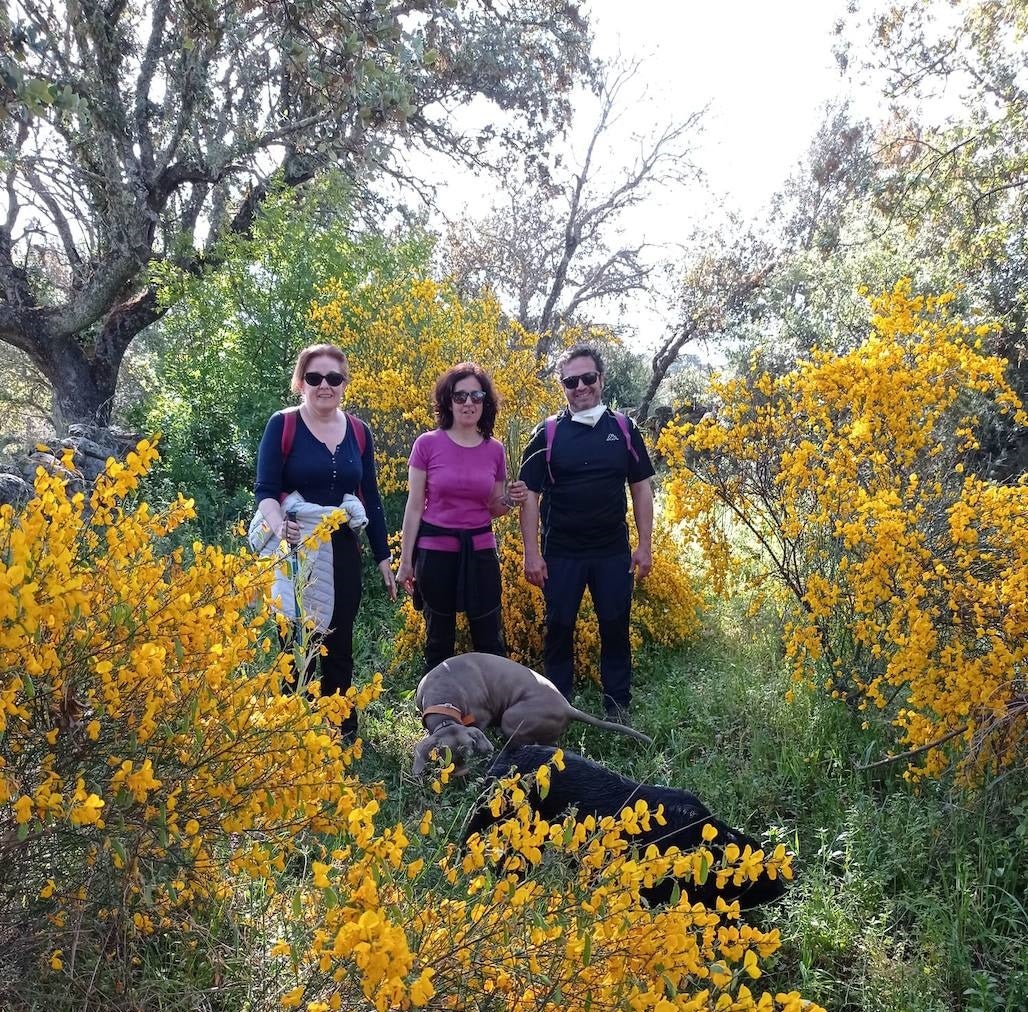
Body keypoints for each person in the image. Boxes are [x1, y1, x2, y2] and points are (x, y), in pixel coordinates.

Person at [255, 343, 396, 733]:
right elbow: (265, 490)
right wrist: (278, 525)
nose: (324, 385)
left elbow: (370, 495)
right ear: (301, 382)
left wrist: (383, 556)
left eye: (334, 378)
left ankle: (338, 728)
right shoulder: (283, 424)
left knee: (338, 639)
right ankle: (288, 729)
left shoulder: (359, 432)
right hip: (297, 542)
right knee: (294, 637)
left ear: (344, 383)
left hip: (342, 546)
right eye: (314, 377)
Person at [517, 343, 655, 721]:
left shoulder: (624, 429)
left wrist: (645, 546)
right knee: (558, 629)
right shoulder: (546, 433)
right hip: (561, 552)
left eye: (587, 378)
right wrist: (531, 553)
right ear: (562, 386)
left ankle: (617, 707)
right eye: (571, 381)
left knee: (615, 627)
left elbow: (641, 487)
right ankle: (556, 709)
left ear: (601, 379)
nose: (580, 387)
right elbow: (529, 495)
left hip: (612, 551)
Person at [396, 362, 527, 674]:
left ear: (485, 402)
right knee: (438, 640)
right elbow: (414, 507)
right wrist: (405, 561)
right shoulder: (427, 444)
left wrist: (511, 499)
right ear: (448, 401)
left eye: (476, 396)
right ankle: (437, 701)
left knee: (490, 637)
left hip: (480, 551)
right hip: (435, 552)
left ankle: (493, 699)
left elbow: (494, 507)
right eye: (460, 396)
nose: (469, 403)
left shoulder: (495, 450)